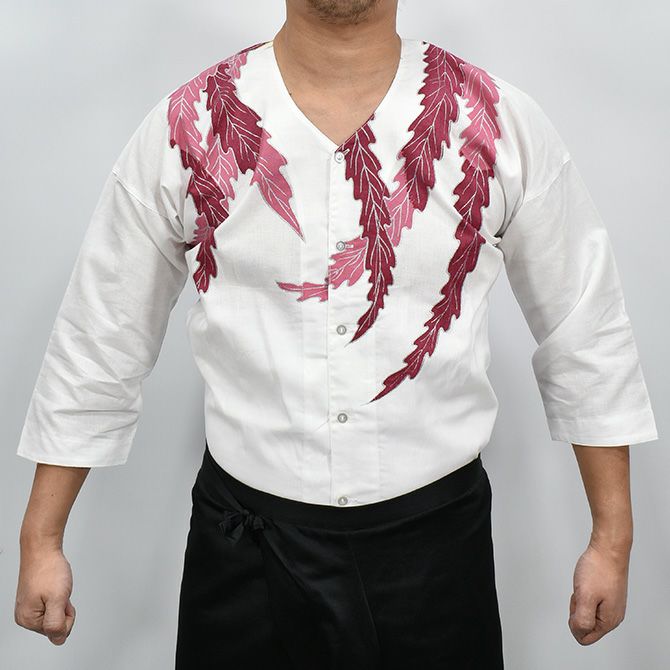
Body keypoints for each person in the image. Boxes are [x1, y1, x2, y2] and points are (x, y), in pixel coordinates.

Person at [14, 0, 659, 667]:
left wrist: (612, 540)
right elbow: (102, 333)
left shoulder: (493, 121)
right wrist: (42, 539)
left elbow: (585, 328)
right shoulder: (191, 124)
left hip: (436, 558)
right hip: (245, 558)